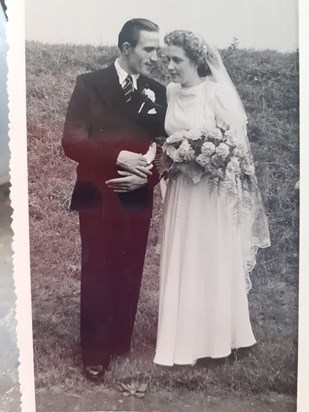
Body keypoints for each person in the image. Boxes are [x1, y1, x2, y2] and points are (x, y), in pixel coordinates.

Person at [153, 30, 270, 366]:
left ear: (195, 60)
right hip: (180, 192)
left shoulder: (215, 93)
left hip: (210, 193)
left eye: (177, 60)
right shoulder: (172, 92)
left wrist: (209, 156)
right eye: (167, 60)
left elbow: (236, 148)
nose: (170, 67)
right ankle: (183, 337)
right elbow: (168, 138)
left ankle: (221, 339)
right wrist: (176, 154)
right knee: (182, 255)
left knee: (210, 257)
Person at [62, 18, 166, 381]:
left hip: (137, 196)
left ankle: (119, 340)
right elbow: (72, 142)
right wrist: (118, 157)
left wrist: (147, 176)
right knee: (98, 271)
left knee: (130, 268)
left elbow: (164, 149)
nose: (157, 56)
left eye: (158, 49)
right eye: (149, 49)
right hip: (96, 195)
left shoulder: (157, 91)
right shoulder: (89, 85)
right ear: (126, 48)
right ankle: (94, 351)